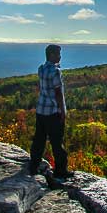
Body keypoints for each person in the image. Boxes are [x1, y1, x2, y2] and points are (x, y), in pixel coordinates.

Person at [29, 44, 72, 180]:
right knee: (57, 142)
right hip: (53, 112)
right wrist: (63, 112)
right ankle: (61, 171)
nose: (60, 57)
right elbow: (58, 93)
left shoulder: (41, 69)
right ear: (52, 55)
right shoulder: (55, 71)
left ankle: (33, 165)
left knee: (39, 139)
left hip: (41, 110)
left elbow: (43, 88)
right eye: (58, 54)